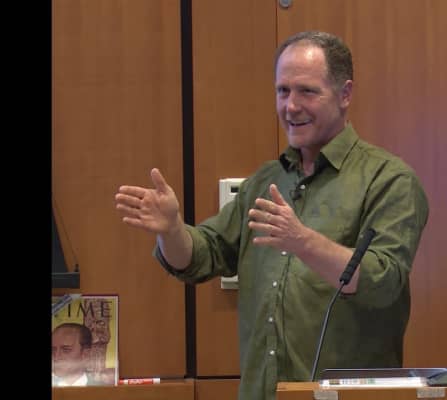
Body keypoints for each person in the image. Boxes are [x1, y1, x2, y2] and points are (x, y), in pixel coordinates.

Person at [115, 31, 429, 400]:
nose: (290, 106)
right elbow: (201, 256)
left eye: (307, 91)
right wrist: (171, 230)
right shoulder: (265, 181)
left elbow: (384, 281)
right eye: (283, 91)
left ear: (345, 94)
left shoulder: (388, 180)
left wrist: (303, 241)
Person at [52, 322, 94, 387]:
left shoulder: (104, 389)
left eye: (66, 350)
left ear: (86, 354)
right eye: (53, 350)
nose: (56, 357)